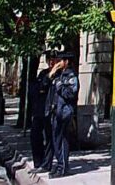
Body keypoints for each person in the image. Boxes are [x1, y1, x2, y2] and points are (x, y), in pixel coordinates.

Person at [46, 50, 79, 179]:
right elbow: (46, 83)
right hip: (56, 111)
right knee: (56, 139)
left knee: (61, 139)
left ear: (66, 62)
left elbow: (70, 94)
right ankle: (60, 165)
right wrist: (53, 73)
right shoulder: (59, 75)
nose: (57, 63)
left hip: (65, 111)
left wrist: (59, 85)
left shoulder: (71, 76)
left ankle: (63, 167)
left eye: (60, 61)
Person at [29, 50, 57, 170]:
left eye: (53, 59)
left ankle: (47, 163)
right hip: (40, 110)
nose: (51, 62)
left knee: (50, 137)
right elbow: (38, 88)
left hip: (51, 111)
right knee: (35, 135)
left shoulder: (60, 74)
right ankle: (38, 161)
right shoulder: (43, 74)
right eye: (49, 59)